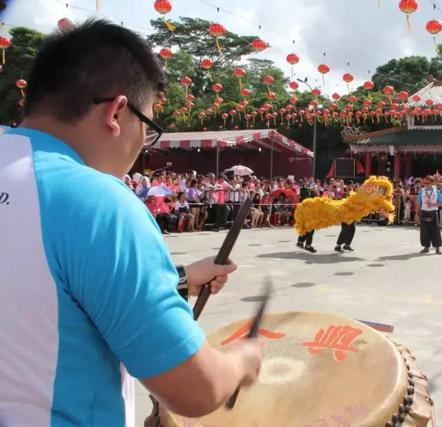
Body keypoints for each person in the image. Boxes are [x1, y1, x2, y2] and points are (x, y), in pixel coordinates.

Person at [0, 20, 262, 425]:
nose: (144, 144)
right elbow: (196, 390)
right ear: (117, 112)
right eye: (150, 126)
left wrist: (178, 278)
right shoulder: (95, 200)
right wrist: (242, 360)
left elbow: (35, 289)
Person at [417, 176, 442, 254]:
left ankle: (438, 247)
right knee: (424, 231)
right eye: (424, 183)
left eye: (427, 183)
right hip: (424, 212)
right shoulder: (421, 192)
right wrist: (416, 214)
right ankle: (426, 247)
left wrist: (432, 204)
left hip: (433, 213)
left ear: (432, 183)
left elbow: (441, 203)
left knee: (435, 230)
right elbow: (418, 204)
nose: (425, 185)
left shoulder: (437, 192)